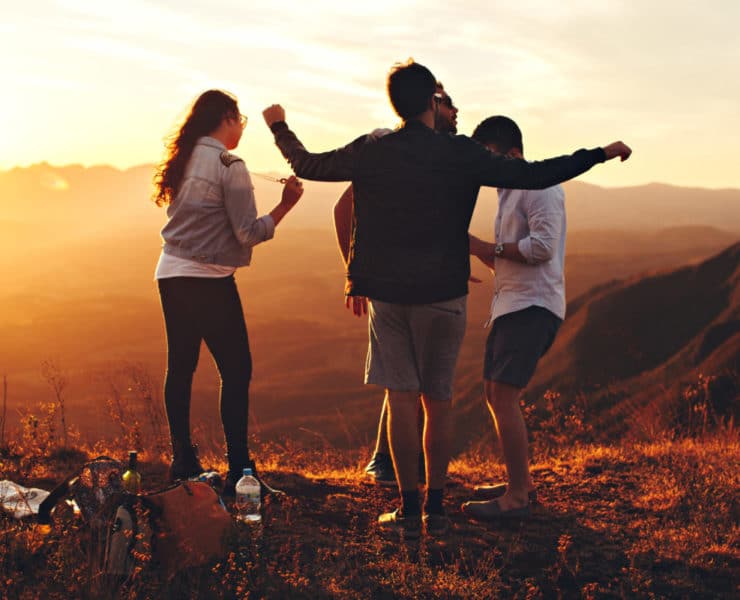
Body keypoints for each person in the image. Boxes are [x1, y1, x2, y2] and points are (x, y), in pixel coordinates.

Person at [262, 60, 631, 538]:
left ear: (396, 103)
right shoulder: (459, 153)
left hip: (390, 295)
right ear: (432, 104)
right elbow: (538, 174)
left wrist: (279, 127)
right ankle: (436, 509)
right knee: (439, 402)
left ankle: (408, 510)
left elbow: (309, 165)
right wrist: (600, 153)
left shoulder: (373, 150)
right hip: (445, 293)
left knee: (402, 400)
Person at [152, 89, 304, 498]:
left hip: (170, 272)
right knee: (236, 370)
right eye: (240, 121)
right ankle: (241, 472)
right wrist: (286, 204)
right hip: (209, 279)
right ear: (227, 118)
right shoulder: (229, 165)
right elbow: (247, 232)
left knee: (181, 367)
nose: (242, 129)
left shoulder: (184, 158)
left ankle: (183, 460)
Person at [334, 83, 459, 487]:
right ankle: (387, 463)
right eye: (448, 103)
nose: (457, 112)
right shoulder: (390, 148)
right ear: (429, 105)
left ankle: (398, 466)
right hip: (392, 282)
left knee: (409, 380)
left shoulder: (432, 154)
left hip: (418, 278)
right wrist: (355, 273)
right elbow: (343, 206)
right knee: (403, 381)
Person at [462, 116, 569, 520]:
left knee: (503, 396)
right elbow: (511, 255)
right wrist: (475, 250)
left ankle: (518, 497)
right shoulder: (509, 191)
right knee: (495, 393)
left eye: (487, 156)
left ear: (511, 152)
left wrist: (488, 246)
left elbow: (541, 248)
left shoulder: (538, 186)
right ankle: (517, 481)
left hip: (533, 306)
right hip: (512, 304)